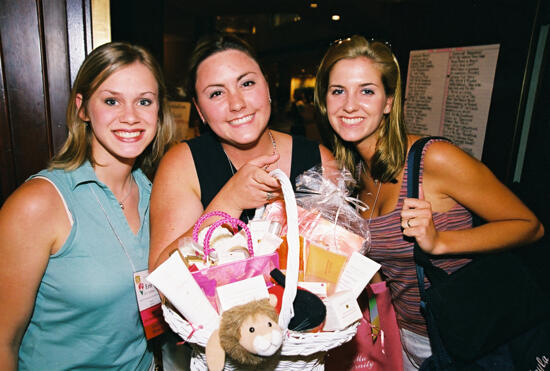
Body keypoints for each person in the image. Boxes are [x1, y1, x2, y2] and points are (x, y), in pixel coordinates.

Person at [314, 35, 544, 369]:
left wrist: (440, 241)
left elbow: (530, 227)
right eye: (338, 91)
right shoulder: (353, 172)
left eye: (367, 90)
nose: (350, 104)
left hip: (468, 335)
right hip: (405, 335)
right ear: (324, 101)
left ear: (389, 102)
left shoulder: (433, 159)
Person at [0, 41, 174, 370]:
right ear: (82, 108)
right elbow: (2, 340)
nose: (130, 117)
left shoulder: (159, 195)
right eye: (111, 101)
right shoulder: (38, 205)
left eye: (144, 101)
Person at [148, 33, 334, 272]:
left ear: (266, 86)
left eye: (246, 84)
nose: (236, 104)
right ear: (199, 110)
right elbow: (162, 280)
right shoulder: (183, 165)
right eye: (216, 93)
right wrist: (229, 202)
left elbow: (343, 268)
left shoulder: (318, 160)